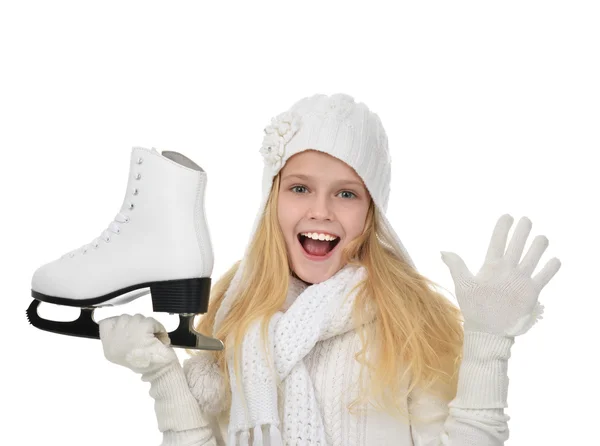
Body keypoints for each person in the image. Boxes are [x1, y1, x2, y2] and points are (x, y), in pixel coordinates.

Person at [99, 93, 561, 445]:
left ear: (371, 212)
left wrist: (488, 345)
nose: (321, 211)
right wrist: (162, 375)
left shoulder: (407, 318)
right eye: (300, 188)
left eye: (346, 194)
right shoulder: (234, 313)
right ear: (271, 200)